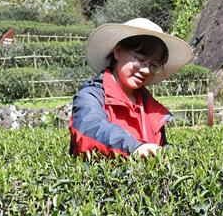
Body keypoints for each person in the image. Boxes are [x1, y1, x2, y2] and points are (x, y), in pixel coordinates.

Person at [69, 18, 193, 159]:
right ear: (118, 51)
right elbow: (90, 128)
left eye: (153, 65)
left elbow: (158, 147)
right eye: (140, 59)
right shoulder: (91, 97)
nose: (146, 70)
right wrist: (134, 147)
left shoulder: (151, 108)